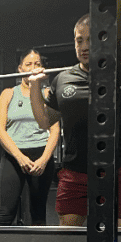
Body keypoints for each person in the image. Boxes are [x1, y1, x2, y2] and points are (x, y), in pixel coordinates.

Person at [29, 14, 92, 227]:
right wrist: (35, 87)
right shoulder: (63, 79)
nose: (84, 46)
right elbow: (44, 121)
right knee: (68, 241)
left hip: (116, 171)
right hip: (75, 172)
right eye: (79, 40)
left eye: (90, 39)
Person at [0, 49, 60, 226]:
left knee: (38, 214)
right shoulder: (8, 94)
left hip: (40, 157)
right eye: (28, 64)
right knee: (5, 214)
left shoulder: (47, 95)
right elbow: (0, 130)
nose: (33, 68)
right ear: (20, 68)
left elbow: (55, 130)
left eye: (37, 64)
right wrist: (20, 157)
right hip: (14, 157)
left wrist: (44, 160)